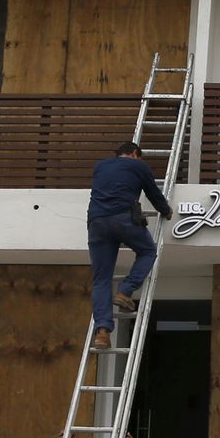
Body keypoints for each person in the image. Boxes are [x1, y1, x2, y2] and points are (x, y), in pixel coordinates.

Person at [88, 141, 173, 350]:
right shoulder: (139, 166)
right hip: (123, 219)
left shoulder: (100, 166)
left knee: (101, 279)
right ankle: (125, 291)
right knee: (147, 251)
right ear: (135, 154)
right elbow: (153, 194)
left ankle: (102, 332)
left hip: (97, 222)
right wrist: (166, 211)